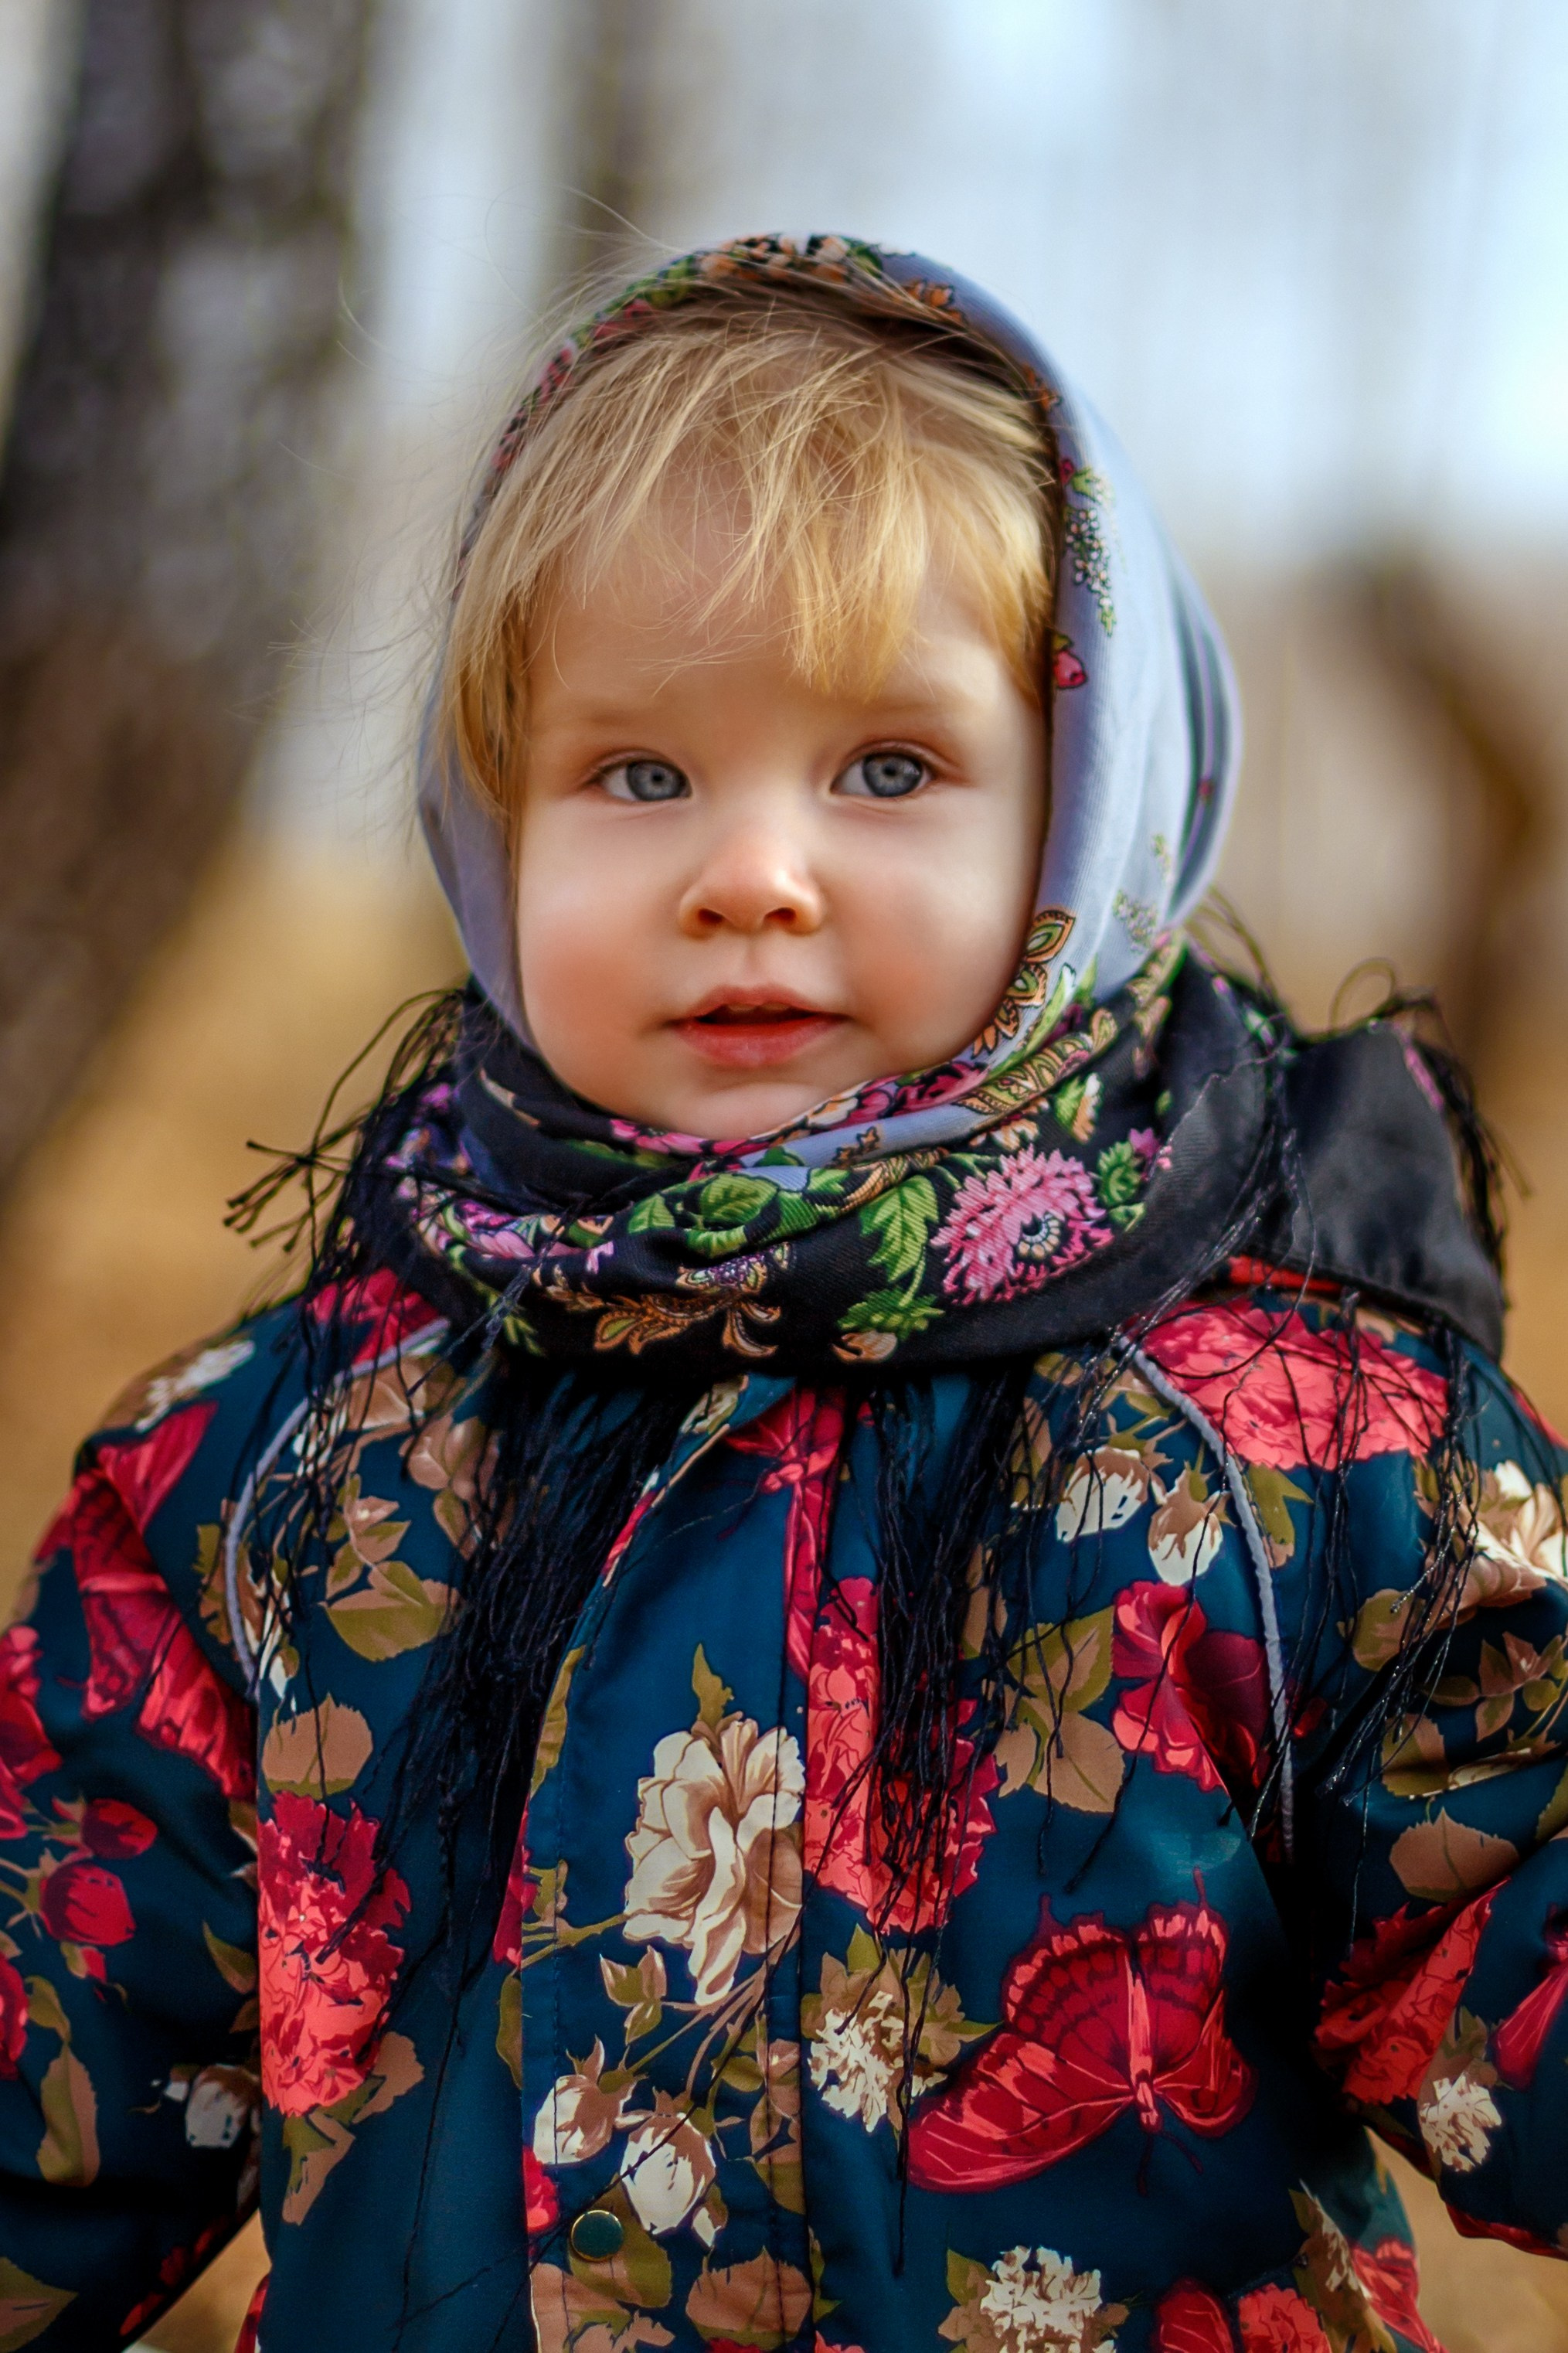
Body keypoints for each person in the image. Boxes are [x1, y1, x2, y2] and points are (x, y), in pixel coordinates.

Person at [0, 234, 1562, 2353]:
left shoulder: (1303, 1450)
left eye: (887, 768)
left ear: (1085, 823)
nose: (749, 867)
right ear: (497, 829)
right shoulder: (283, 1476)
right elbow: (57, 2076)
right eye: (638, 774)